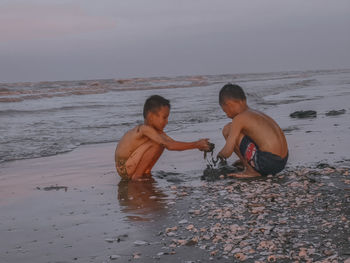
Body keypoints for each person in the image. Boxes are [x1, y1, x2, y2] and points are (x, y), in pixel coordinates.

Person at [115, 95, 210, 180]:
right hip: (124, 167)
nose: (167, 121)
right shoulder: (144, 129)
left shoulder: (157, 133)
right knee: (158, 143)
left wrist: (199, 146)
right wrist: (196, 144)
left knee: (161, 142)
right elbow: (170, 145)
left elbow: (173, 143)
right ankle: (137, 175)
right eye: (164, 117)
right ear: (151, 116)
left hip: (129, 167)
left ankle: (144, 172)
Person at [217, 84, 288, 178]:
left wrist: (220, 155)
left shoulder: (239, 118)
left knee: (227, 129)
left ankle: (251, 170)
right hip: (282, 162)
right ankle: (252, 163)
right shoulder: (256, 113)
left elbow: (227, 152)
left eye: (225, 111)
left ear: (229, 104)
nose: (227, 115)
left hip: (268, 163)